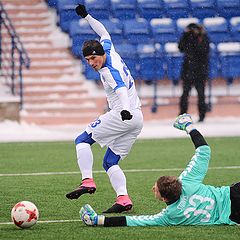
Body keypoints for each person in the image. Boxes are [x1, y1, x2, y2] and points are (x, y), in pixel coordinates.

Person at [79, 114, 240, 227]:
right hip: (232, 193)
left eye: (155, 189)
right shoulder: (188, 181)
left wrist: (98, 221)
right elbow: (204, 150)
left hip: (233, 216)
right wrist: (188, 126)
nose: (152, 188)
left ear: (163, 199)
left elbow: (135, 221)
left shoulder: (171, 216)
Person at [65, 4, 143, 214]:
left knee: (81, 140)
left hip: (123, 114)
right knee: (110, 162)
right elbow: (104, 32)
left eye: (93, 58)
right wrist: (87, 16)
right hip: (137, 119)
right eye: (88, 60)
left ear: (100, 54)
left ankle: (87, 181)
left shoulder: (109, 71)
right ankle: (123, 199)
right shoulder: (108, 50)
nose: (91, 63)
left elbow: (120, 89)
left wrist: (124, 110)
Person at [178, 23, 210, 122]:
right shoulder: (188, 38)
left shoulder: (203, 38)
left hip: (199, 71)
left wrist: (198, 35)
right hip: (188, 71)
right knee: (185, 94)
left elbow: (203, 51)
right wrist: (185, 34)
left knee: (201, 95)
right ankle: (182, 114)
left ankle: (202, 115)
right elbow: (180, 47)